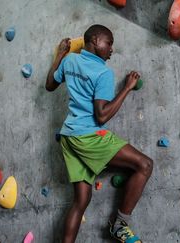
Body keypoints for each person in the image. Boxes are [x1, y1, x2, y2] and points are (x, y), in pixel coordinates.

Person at [45, 24, 152, 243]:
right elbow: (102, 116)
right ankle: (120, 225)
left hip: (69, 137)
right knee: (145, 164)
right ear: (95, 40)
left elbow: (49, 85)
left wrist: (59, 55)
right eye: (109, 43)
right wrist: (127, 88)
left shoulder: (69, 61)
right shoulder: (103, 72)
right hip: (87, 136)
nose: (112, 49)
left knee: (81, 200)